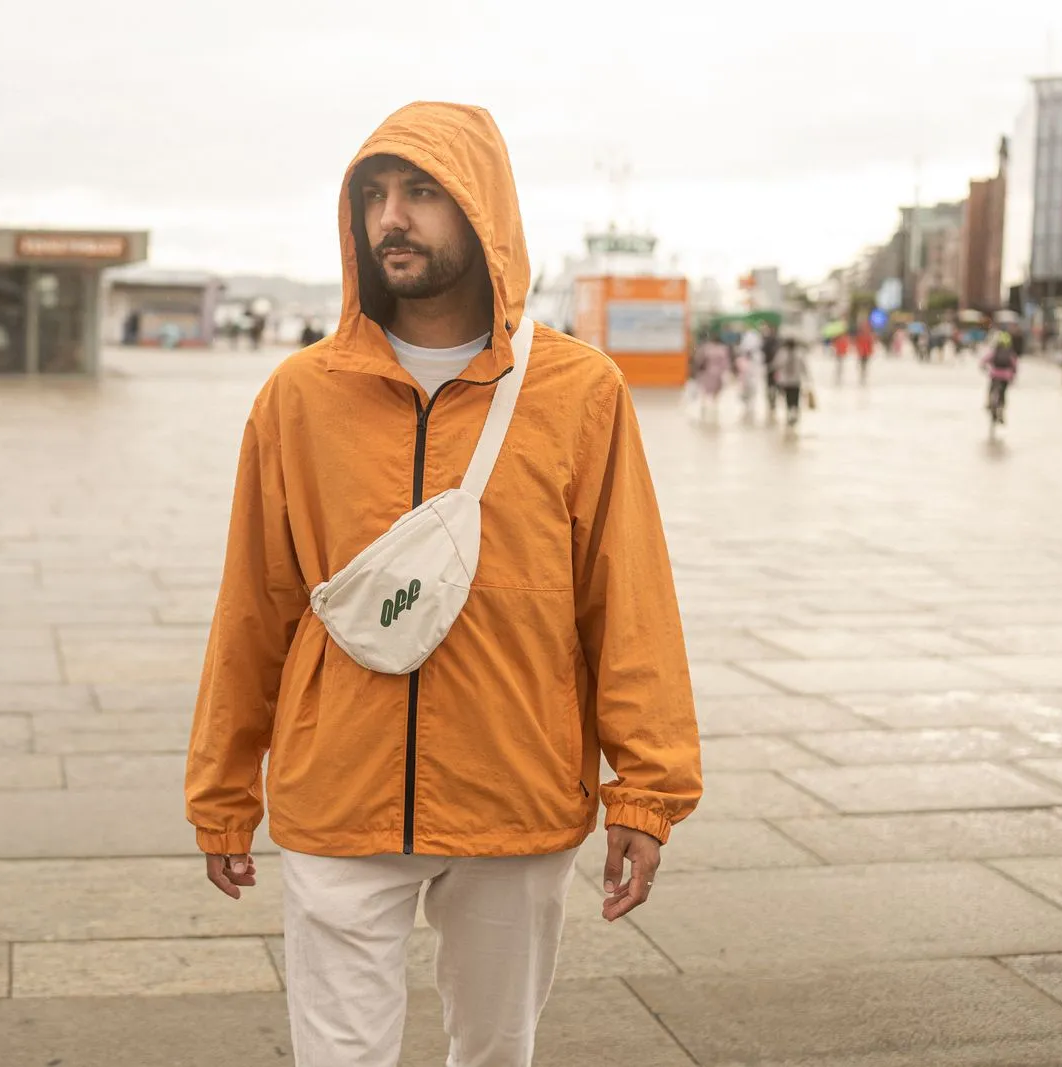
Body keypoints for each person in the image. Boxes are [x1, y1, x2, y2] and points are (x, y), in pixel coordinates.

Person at [184, 102, 702, 1067]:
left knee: (496, 1053)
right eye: (374, 195)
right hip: (337, 789)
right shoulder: (299, 396)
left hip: (515, 790)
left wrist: (648, 791)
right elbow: (255, 602)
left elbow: (627, 599)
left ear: (482, 210)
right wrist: (222, 790)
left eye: (421, 191)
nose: (391, 217)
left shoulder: (581, 392)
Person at [772, 336, 813, 429]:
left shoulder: (782, 353)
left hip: (786, 381)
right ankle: (793, 412)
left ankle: (790, 413)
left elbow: (776, 365)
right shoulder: (799, 353)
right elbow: (804, 367)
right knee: (795, 398)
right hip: (795, 381)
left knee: (788, 398)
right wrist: (808, 379)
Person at [690, 331, 730, 425]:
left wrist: (696, 369)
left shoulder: (706, 348)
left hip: (707, 372)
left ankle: (704, 405)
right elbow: (725, 363)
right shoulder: (723, 349)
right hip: (718, 373)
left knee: (705, 389)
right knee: (716, 390)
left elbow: (699, 360)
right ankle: (714, 404)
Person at [980, 333, 1018, 426]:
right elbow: (1014, 365)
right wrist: (1013, 375)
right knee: (1003, 393)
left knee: (991, 389)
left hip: (995, 374)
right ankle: (1001, 409)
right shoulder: (1010, 353)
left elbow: (984, 360)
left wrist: (984, 368)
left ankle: (989, 403)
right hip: (1005, 376)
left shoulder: (995, 352)